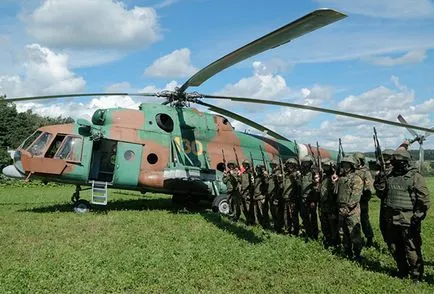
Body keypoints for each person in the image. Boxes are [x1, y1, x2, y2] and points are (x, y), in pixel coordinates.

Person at [376, 149, 430, 282]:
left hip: (408, 218)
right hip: (391, 218)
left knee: (411, 247)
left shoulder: (415, 177)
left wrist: (418, 215)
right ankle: (402, 270)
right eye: (394, 162)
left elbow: (424, 199)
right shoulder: (390, 175)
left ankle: (416, 275)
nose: (395, 164)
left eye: (398, 162)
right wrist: (380, 180)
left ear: (405, 162)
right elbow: (380, 194)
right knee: (394, 246)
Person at [334, 156, 363, 260]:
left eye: (348, 165)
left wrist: (347, 208)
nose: (345, 167)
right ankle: (347, 251)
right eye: (344, 164)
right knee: (344, 232)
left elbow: (355, 197)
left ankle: (357, 254)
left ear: (352, 166)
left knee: (354, 233)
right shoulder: (341, 178)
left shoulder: (356, 179)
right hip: (341, 208)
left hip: (352, 211)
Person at [353, 152, 375, 247]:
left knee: (364, 220)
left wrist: (364, 197)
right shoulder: (352, 171)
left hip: (362, 200)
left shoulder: (365, 172)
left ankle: (369, 237)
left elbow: (369, 188)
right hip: (352, 200)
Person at [374, 149, 394, 242]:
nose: (385, 160)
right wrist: (378, 177)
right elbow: (379, 191)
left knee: (392, 228)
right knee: (383, 226)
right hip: (385, 202)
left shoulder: (395, 171)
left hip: (394, 204)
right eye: (384, 158)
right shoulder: (382, 171)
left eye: (387, 158)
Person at [319, 158, 339, 248]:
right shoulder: (324, 177)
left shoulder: (335, 177)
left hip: (332, 205)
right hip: (323, 205)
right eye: (324, 166)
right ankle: (327, 239)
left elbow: (336, 191)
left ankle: (335, 241)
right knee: (324, 223)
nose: (325, 168)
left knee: (333, 225)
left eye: (327, 166)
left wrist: (334, 181)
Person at [300, 155, 319, 240]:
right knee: (305, 217)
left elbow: (315, 188)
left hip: (311, 199)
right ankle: (308, 233)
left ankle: (314, 235)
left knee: (313, 218)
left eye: (307, 163)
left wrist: (313, 200)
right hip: (303, 198)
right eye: (304, 163)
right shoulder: (303, 173)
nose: (305, 164)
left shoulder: (314, 173)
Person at [282, 158, 301, 236]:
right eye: (288, 165)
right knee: (286, 216)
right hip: (285, 198)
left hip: (293, 199)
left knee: (293, 216)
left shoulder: (297, 174)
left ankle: (296, 231)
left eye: (291, 165)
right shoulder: (286, 175)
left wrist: (296, 178)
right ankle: (288, 230)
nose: (289, 167)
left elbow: (299, 186)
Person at [267, 158, 284, 232]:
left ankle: (279, 227)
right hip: (271, 196)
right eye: (272, 165)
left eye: (274, 165)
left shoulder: (278, 174)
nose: (273, 167)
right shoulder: (272, 174)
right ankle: (276, 226)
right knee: (273, 212)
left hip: (276, 196)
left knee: (278, 213)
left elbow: (280, 186)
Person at [238, 160, 254, 224]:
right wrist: (238, 175)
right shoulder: (243, 173)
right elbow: (240, 181)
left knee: (248, 208)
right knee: (243, 208)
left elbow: (252, 183)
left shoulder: (251, 173)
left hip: (248, 192)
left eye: (245, 164)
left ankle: (251, 221)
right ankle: (248, 220)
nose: (244, 166)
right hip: (243, 192)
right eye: (244, 164)